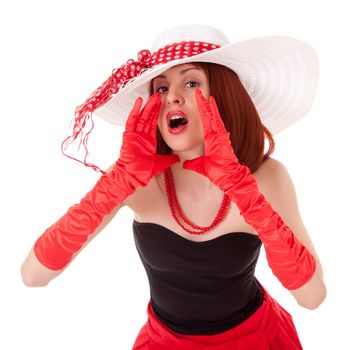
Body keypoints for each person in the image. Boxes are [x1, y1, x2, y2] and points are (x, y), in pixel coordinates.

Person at [21, 25, 327, 349]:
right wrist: (112, 188)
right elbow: (33, 275)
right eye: (161, 88)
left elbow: (312, 296)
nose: (172, 97)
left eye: (191, 82)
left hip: (254, 339)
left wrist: (244, 191)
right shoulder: (135, 178)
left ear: (222, 96)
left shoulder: (265, 177)